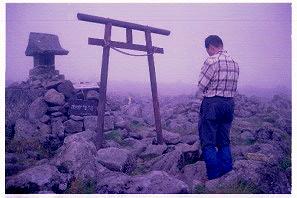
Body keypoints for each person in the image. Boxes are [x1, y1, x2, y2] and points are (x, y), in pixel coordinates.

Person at [196, 35, 239, 180]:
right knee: (224, 140)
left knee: (208, 141)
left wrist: (202, 96)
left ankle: (214, 177)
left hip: (212, 104)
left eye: (208, 50)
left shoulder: (211, 61)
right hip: (229, 104)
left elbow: (201, 85)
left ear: (211, 47)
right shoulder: (234, 62)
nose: (208, 53)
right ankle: (227, 174)